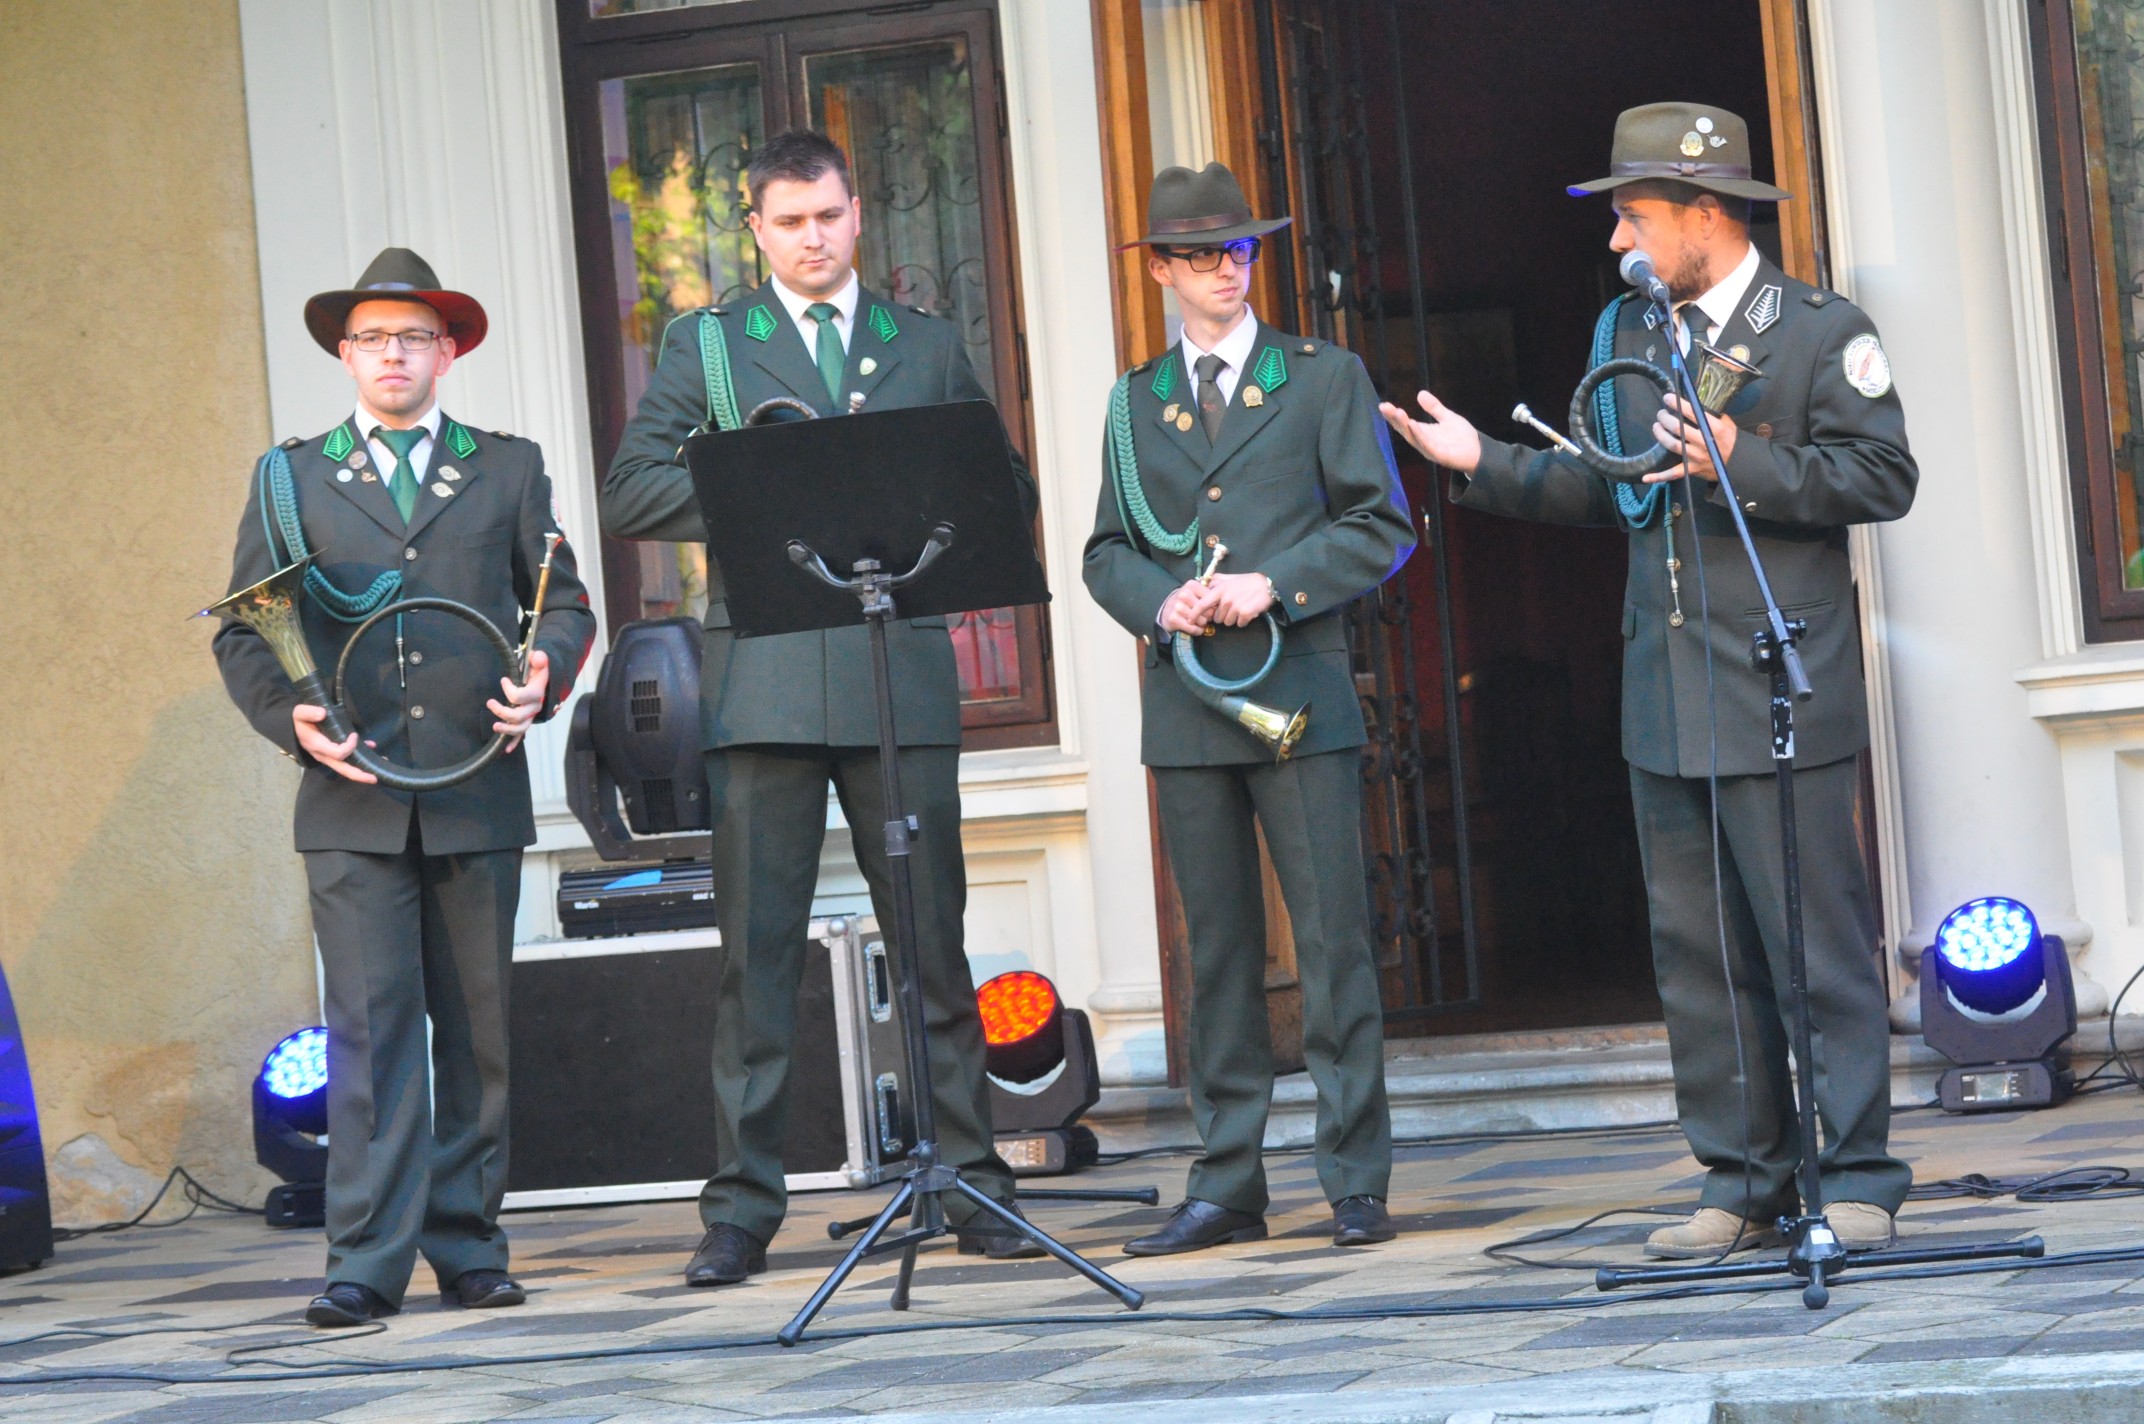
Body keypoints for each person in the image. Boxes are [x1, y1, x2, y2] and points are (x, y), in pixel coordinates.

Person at [1380, 102, 1917, 1257]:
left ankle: (1857, 1172)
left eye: (1633, 210)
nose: (1617, 230)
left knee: (1813, 946)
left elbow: (1881, 477)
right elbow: (1610, 488)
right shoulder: (1624, 327)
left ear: (1704, 213)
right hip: (1663, 690)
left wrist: (1745, 456)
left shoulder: (1815, 330)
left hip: (1781, 683)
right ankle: (1738, 1180)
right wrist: (1484, 463)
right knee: (1698, 957)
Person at [601, 130, 1040, 1285]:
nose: (812, 238)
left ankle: (971, 1178)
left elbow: (1003, 486)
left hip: (899, 674)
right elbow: (631, 482)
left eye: (830, 217)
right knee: (755, 956)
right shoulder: (710, 346)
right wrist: (759, 485)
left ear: (858, 216)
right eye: (789, 222)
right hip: (768, 680)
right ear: (755, 229)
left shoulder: (926, 344)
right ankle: (741, 1205)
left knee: (931, 943)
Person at [213, 248, 595, 1324]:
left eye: (414, 336)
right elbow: (246, 630)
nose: (394, 353)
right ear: (344, 354)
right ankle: (364, 1262)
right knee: (370, 1036)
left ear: (447, 351)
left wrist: (544, 675)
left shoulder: (507, 468)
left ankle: (470, 1246)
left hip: (475, 785)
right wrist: (285, 718)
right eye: (374, 337)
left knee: (477, 1033)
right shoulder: (287, 477)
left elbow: (560, 607)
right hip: (350, 797)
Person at [1084, 162, 1415, 1255]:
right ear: (1164, 270)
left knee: (1331, 945)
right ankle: (1225, 1179)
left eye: (1243, 249)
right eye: (1205, 254)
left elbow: (1380, 523)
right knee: (1215, 952)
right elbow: (1103, 550)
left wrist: (1272, 580)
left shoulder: (1321, 377)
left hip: (1298, 692)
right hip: (1187, 701)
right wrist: (1159, 597)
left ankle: (1352, 1176)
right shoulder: (1134, 402)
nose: (1229, 269)